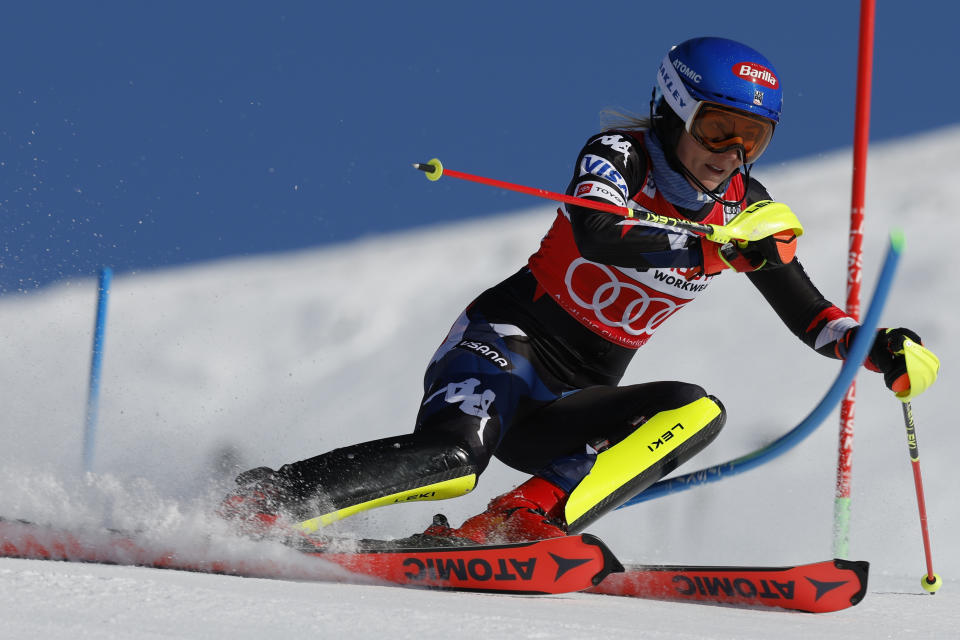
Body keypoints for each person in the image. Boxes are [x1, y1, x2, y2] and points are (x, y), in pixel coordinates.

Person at [219, 37, 940, 544]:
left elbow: (811, 317)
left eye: (753, 138)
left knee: (696, 411)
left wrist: (878, 348)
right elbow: (599, 232)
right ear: (672, 109)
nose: (732, 154)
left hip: (571, 402)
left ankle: (515, 527)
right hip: (501, 348)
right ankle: (263, 501)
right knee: (452, 464)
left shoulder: (746, 209)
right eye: (718, 128)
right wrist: (711, 248)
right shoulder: (621, 154)